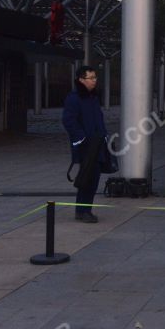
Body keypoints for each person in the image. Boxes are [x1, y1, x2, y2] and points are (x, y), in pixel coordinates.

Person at [62, 65, 107, 223]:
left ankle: (84, 210)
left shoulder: (92, 97)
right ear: (81, 80)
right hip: (85, 145)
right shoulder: (74, 98)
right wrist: (81, 139)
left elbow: (98, 119)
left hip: (97, 143)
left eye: (95, 77)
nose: (94, 81)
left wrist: (104, 136)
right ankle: (83, 210)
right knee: (87, 177)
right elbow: (68, 121)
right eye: (91, 78)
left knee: (93, 177)